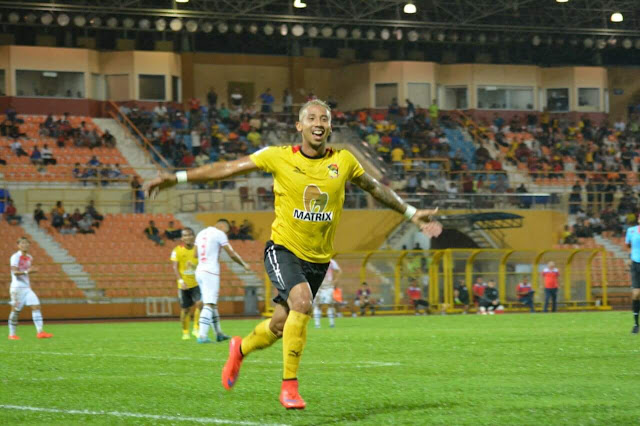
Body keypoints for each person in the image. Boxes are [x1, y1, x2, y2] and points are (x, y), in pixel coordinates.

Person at [143, 99, 442, 410]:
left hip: (318, 259)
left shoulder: (344, 161)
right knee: (302, 303)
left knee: (278, 325)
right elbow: (228, 169)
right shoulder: (279, 157)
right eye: (311, 118)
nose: (318, 123)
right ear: (299, 126)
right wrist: (176, 178)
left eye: (324, 118)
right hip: (282, 249)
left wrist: (411, 213)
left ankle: (239, 349)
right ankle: (289, 386)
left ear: (330, 127)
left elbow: (375, 187)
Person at [194, 219, 250, 343]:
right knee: (209, 304)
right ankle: (202, 336)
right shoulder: (219, 233)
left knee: (211, 303)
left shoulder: (201, 233)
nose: (227, 232)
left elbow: (194, 254)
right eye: (227, 229)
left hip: (199, 270)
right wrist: (244, 264)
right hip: (210, 271)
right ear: (222, 225)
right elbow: (231, 253)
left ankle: (218, 333)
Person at [8, 237, 54, 340]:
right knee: (15, 311)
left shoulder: (29, 257)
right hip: (17, 288)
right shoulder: (15, 257)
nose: (25, 245)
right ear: (18, 245)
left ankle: (40, 332)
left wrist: (28, 272)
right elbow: (15, 272)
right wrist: (27, 272)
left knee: (36, 306)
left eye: (27, 243)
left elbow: (26, 271)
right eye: (22, 243)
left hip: (27, 288)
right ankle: (12, 334)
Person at [171, 228, 202, 340]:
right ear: (182, 238)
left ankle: (196, 329)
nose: (188, 237)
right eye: (185, 235)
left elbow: (202, 265)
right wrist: (180, 280)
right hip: (184, 285)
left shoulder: (198, 250)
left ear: (193, 236)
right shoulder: (177, 250)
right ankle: (185, 332)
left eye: (190, 235)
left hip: (197, 283)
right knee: (185, 309)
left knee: (200, 304)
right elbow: (175, 267)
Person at [312, 257, 341, 328]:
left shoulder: (331, 261)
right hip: (319, 286)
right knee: (318, 305)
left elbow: (338, 271)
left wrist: (335, 281)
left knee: (330, 304)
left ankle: (332, 324)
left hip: (328, 286)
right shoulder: (315, 260)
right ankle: (317, 324)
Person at [625, 217, 640, 334]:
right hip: (635, 264)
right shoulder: (631, 230)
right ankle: (636, 324)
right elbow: (628, 245)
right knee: (636, 294)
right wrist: (629, 257)